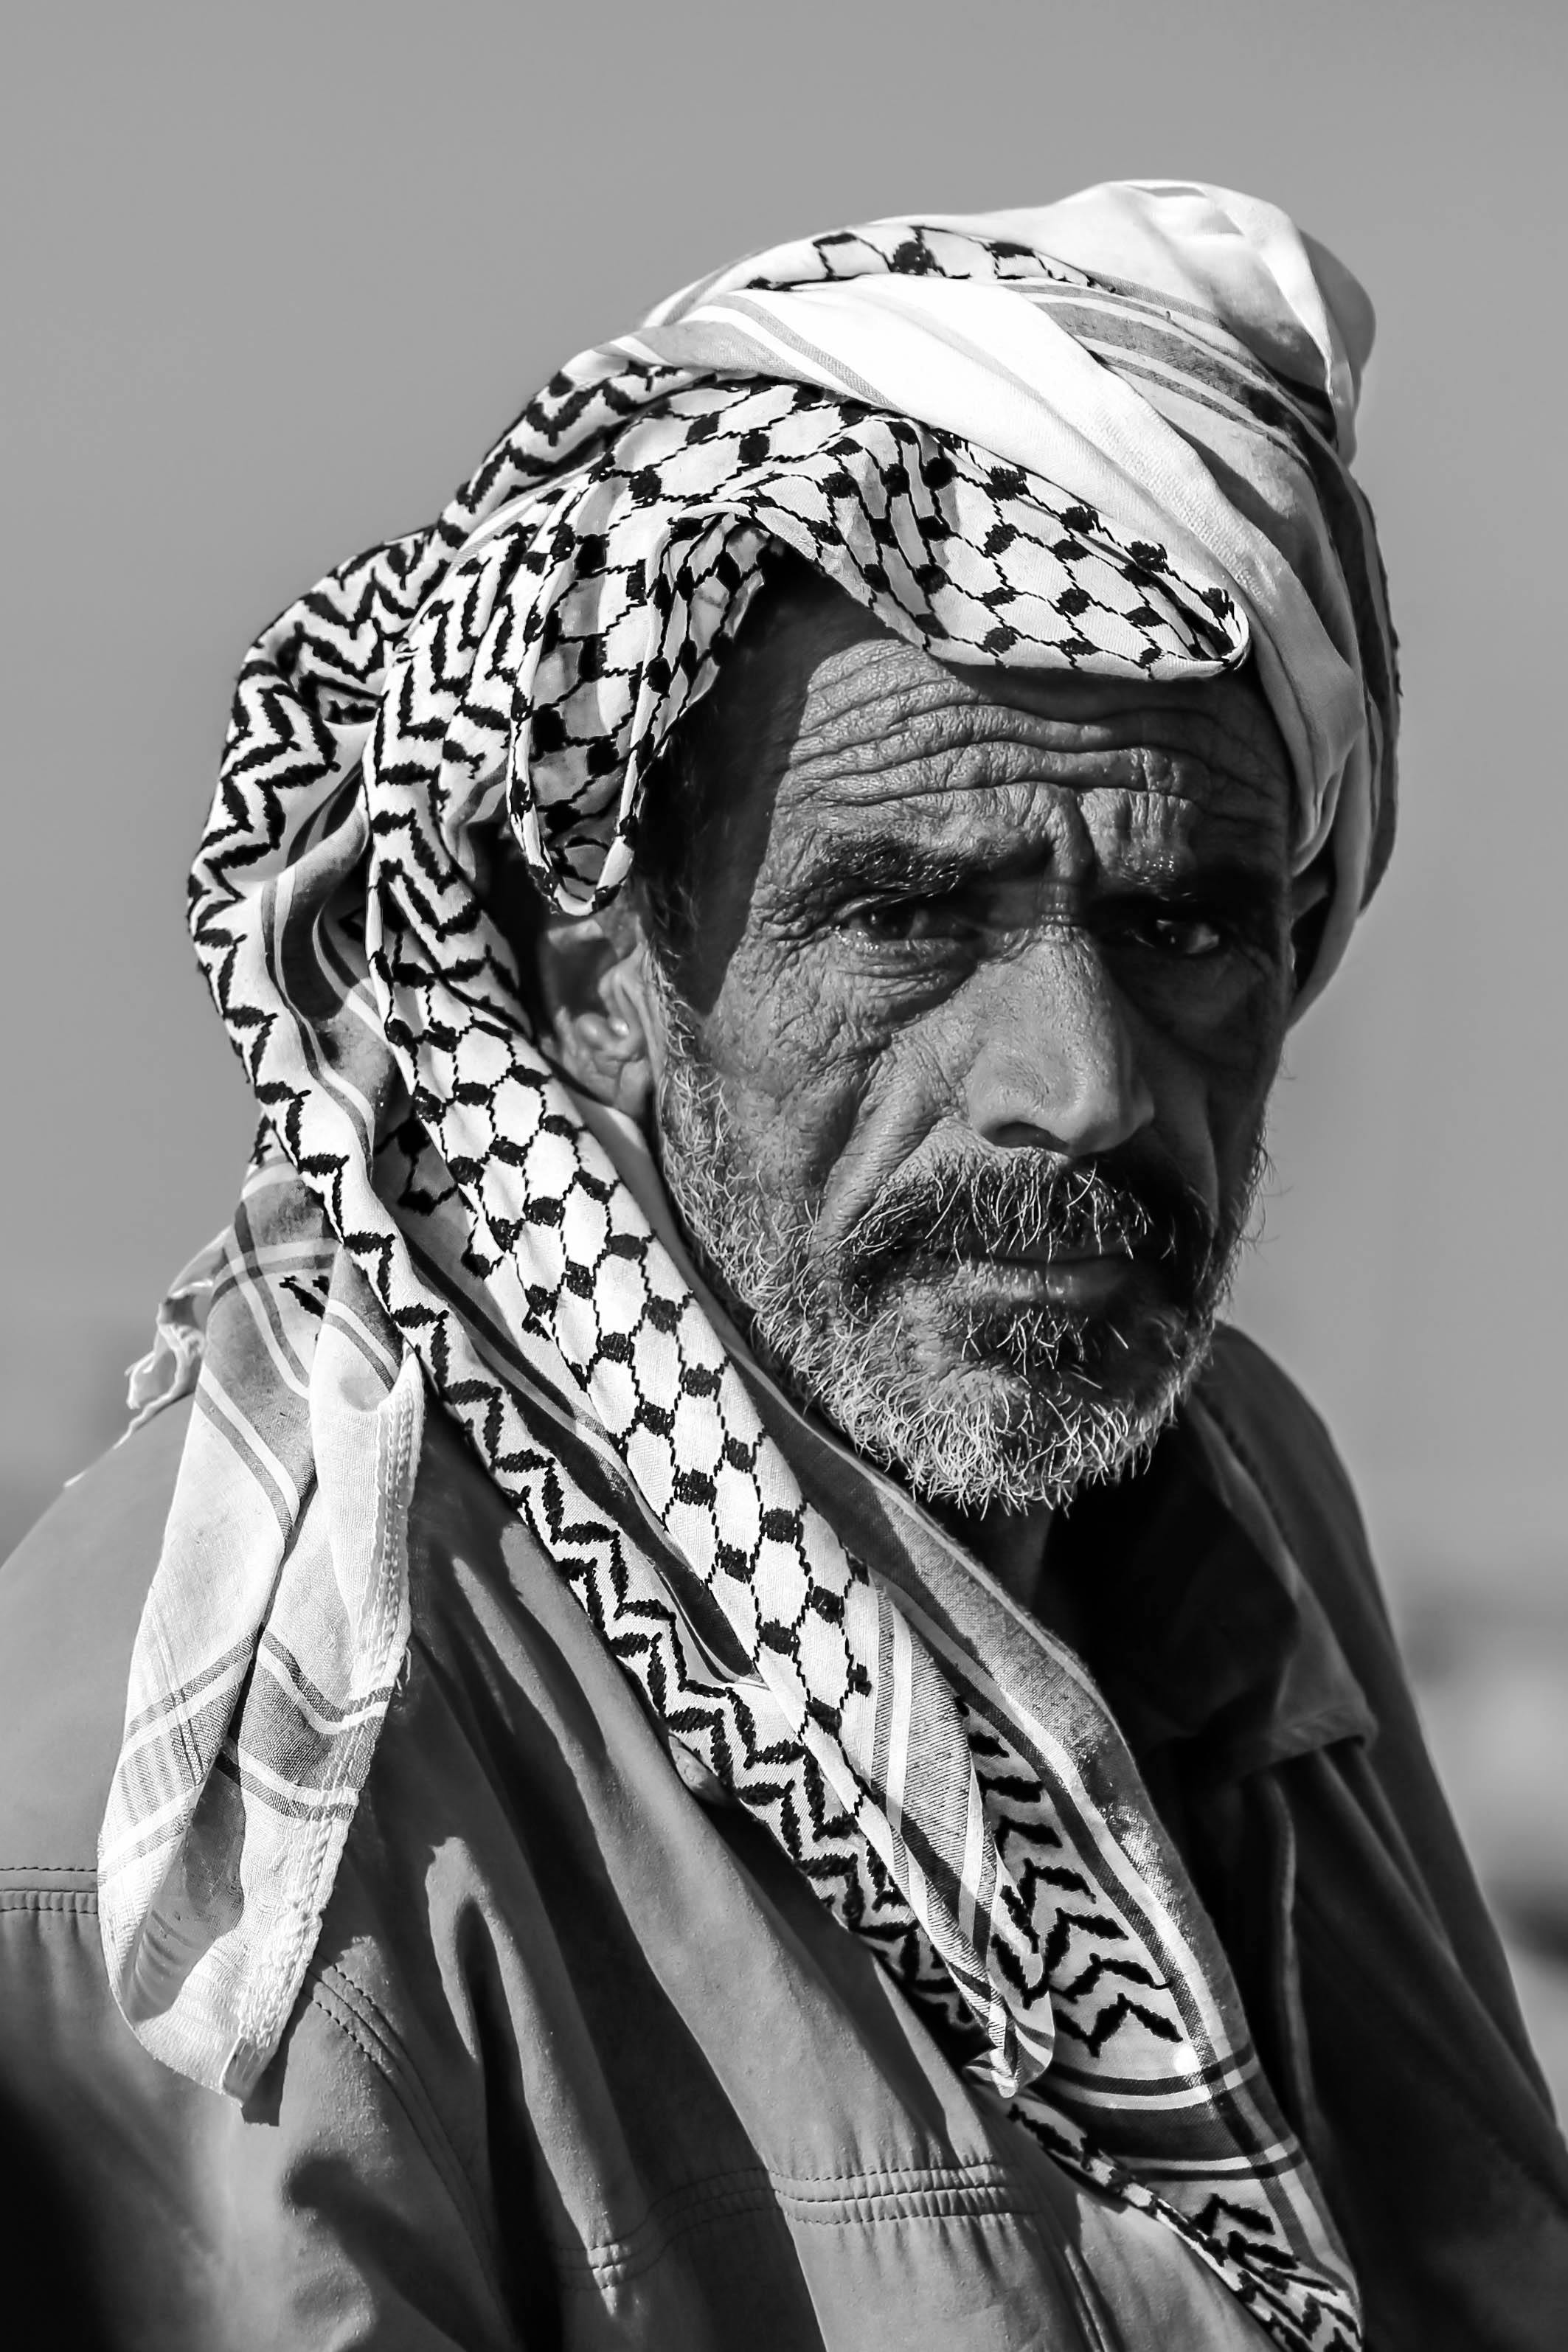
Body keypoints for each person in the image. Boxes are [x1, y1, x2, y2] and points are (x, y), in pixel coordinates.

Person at [1, 182, 1564, 2352]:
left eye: (1184, 926)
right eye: (907, 918)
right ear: (594, 962)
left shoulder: (1223, 1500)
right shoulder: (253, 1794)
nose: (1087, 1089)